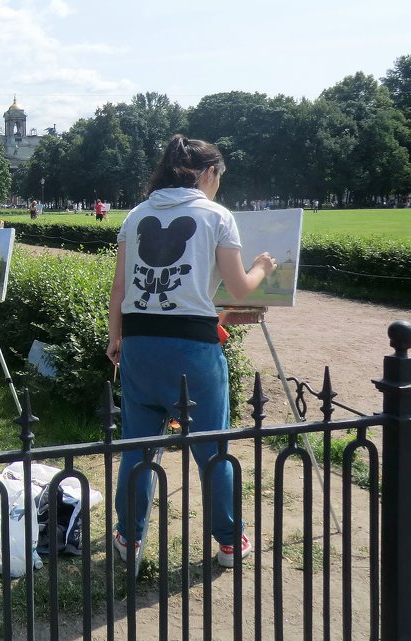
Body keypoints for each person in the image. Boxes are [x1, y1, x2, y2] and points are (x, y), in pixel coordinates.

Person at [105, 135, 276, 573]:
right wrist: (263, 268)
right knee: (213, 449)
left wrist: (115, 338)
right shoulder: (216, 215)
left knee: (138, 448)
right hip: (192, 349)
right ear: (207, 173)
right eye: (219, 175)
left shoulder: (138, 214)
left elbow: (120, 289)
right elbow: (239, 289)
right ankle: (228, 541)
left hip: (139, 344)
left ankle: (129, 535)